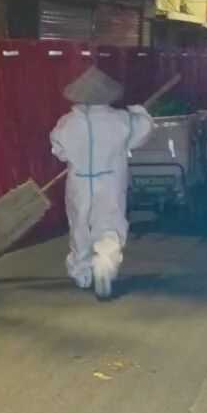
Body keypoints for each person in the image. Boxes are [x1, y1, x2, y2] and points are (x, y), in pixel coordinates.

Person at [49, 66, 153, 298]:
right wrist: (140, 111)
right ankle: (105, 262)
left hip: (79, 184)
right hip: (110, 182)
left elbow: (60, 152)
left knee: (80, 227)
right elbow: (143, 131)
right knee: (109, 224)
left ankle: (82, 273)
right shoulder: (122, 121)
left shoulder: (66, 124)